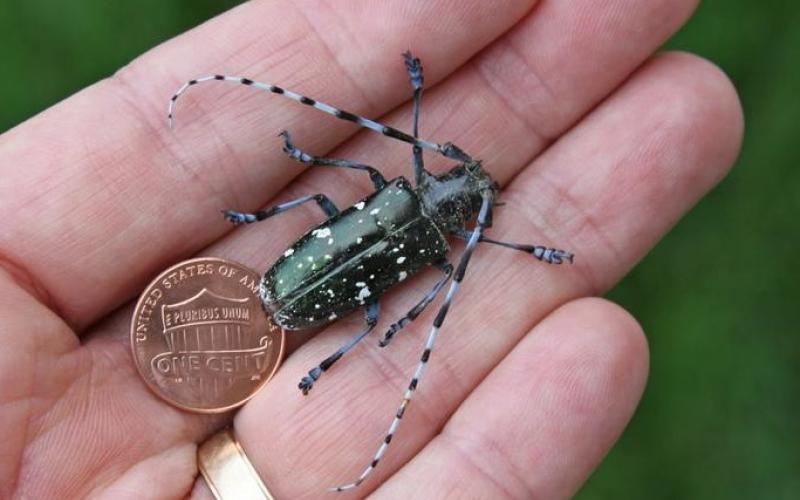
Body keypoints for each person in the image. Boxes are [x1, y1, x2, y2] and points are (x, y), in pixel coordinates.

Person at [0, 1, 743, 498]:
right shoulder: (434, 238)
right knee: (363, 261)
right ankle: (330, 347)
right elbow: (422, 266)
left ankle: (332, 346)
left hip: (311, 276)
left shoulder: (405, 200)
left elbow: (378, 198)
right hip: (300, 281)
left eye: (465, 184)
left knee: (352, 222)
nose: (466, 179)